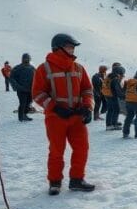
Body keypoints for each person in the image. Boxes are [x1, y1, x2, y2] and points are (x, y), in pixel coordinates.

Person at [32, 33, 96, 194]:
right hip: (55, 118)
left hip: (77, 117)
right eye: (69, 46)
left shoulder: (79, 68)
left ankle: (77, 180)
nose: (73, 49)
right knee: (56, 150)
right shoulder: (44, 68)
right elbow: (38, 93)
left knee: (82, 148)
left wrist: (88, 107)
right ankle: (54, 182)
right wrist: (55, 108)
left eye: (73, 47)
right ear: (58, 48)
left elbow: (87, 90)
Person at [10, 53, 36, 121]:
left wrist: (36, 87)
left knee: (28, 102)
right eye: (25, 58)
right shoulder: (18, 68)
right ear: (22, 59)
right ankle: (21, 117)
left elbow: (37, 77)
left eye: (27, 58)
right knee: (22, 103)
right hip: (21, 90)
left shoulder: (32, 68)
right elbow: (11, 78)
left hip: (30, 89)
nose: (26, 59)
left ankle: (25, 114)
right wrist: (17, 86)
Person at [104, 63, 124, 130]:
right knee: (116, 109)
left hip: (108, 95)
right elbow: (117, 90)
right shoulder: (115, 78)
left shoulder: (109, 76)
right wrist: (122, 96)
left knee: (110, 109)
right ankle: (114, 124)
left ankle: (110, 124)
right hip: (112, 96)